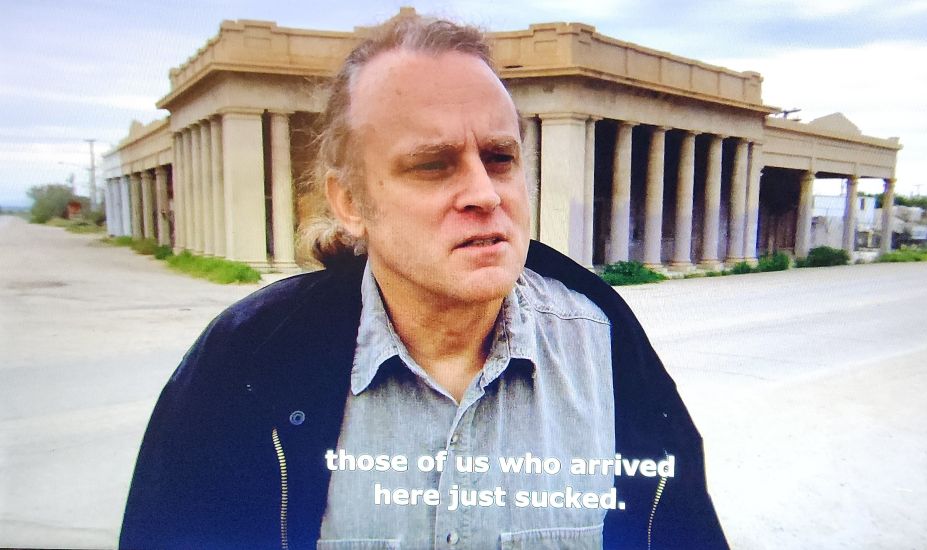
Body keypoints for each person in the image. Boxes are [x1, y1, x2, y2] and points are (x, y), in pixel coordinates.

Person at [120, 12, 727, 550]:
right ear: (351, 201)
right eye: (432, 165)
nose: (485, 194)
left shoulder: (607, 347)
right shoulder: (246, 362)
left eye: (500, 158)